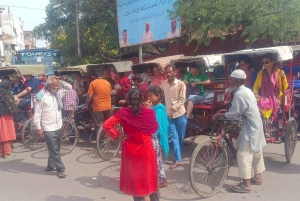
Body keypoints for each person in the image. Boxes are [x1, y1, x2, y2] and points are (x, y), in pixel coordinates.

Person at [212, 69, 266, 193]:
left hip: (251, 127)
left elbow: (234, 113)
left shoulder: (239, 94)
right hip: (255, 124)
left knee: (243, 154)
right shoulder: (247, 90)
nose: (229, 81)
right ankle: (257, 177)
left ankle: (246, 184)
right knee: (256, 150)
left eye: (231, 79)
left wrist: (220, 115)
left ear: (236, 81)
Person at [103, 88, 159, 201]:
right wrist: (147, 110)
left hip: (131, 151)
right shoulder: (150, 112)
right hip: (146, 149)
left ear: (128, 100)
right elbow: (153, 129)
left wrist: (118, 134)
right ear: (142, 99)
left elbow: (106, 125)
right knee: (150, 180)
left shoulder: (123, 112)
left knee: (136, 183)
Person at [34, 76, 72, 178]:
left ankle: (50, 166)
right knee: (54, 150)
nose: (58, 87)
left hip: (58, 125)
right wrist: (39, 127)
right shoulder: (41, 96)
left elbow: (69, 87)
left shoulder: (58, 93)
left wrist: (60, 81)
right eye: (55, 85)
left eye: (58, 85)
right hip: (47, 127)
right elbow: (37, 113)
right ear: (49, 86)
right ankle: (61, 170)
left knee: (56, 148)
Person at [160, 64, 187, 169]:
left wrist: (172, 109)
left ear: (175, 72)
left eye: (170, 72)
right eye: (166, 72)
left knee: (180, 137)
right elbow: (159, 94)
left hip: (180, 114)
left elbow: (182, 100)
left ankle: (178, 156)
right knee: (174, 137)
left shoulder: (181, 84)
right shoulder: (163, 84)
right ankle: (178, 159)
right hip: (169, 116)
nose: (168, 74)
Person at [145, 86, 169, 188]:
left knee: (156, 159)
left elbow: (154, 125)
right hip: (153, 138)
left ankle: (162, 180)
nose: (148, 98)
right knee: (156, 159)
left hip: (155, 138)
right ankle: (158, 179)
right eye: (148, 96)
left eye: (151, 96)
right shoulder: (155, 108)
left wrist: (147, 110)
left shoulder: (159, 109)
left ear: (158, 96)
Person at [253, 53, 288, 122]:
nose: (264, 64)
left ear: (273, 62)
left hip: (276, 96)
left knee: (265, 103)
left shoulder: (279, 72)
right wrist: (256, 94)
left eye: (266, 62)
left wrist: (283, 77)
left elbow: (283, 88)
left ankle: (268, 123)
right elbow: (256, 86)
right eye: (263, 62)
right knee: (254, 103)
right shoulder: (261, 73)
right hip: (263, 95)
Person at [84, 69, 112, 133]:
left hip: (98, 107)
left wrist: (86, 104)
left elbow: (89, 96)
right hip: (108, 107)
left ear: (94, 76)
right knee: (108, 125)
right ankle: (109, 139)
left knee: (99, 126)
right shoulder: (107, 83)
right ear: (102, 75)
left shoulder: (93, 83)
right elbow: (109, 93)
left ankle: (100, 140)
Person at [0, 79, 18, 159]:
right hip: (6, 116)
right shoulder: (7, 95)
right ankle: (7, 153)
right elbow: (13, 107)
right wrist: (16, 101)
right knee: (7, 132)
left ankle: (1, 152)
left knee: (1, 133)